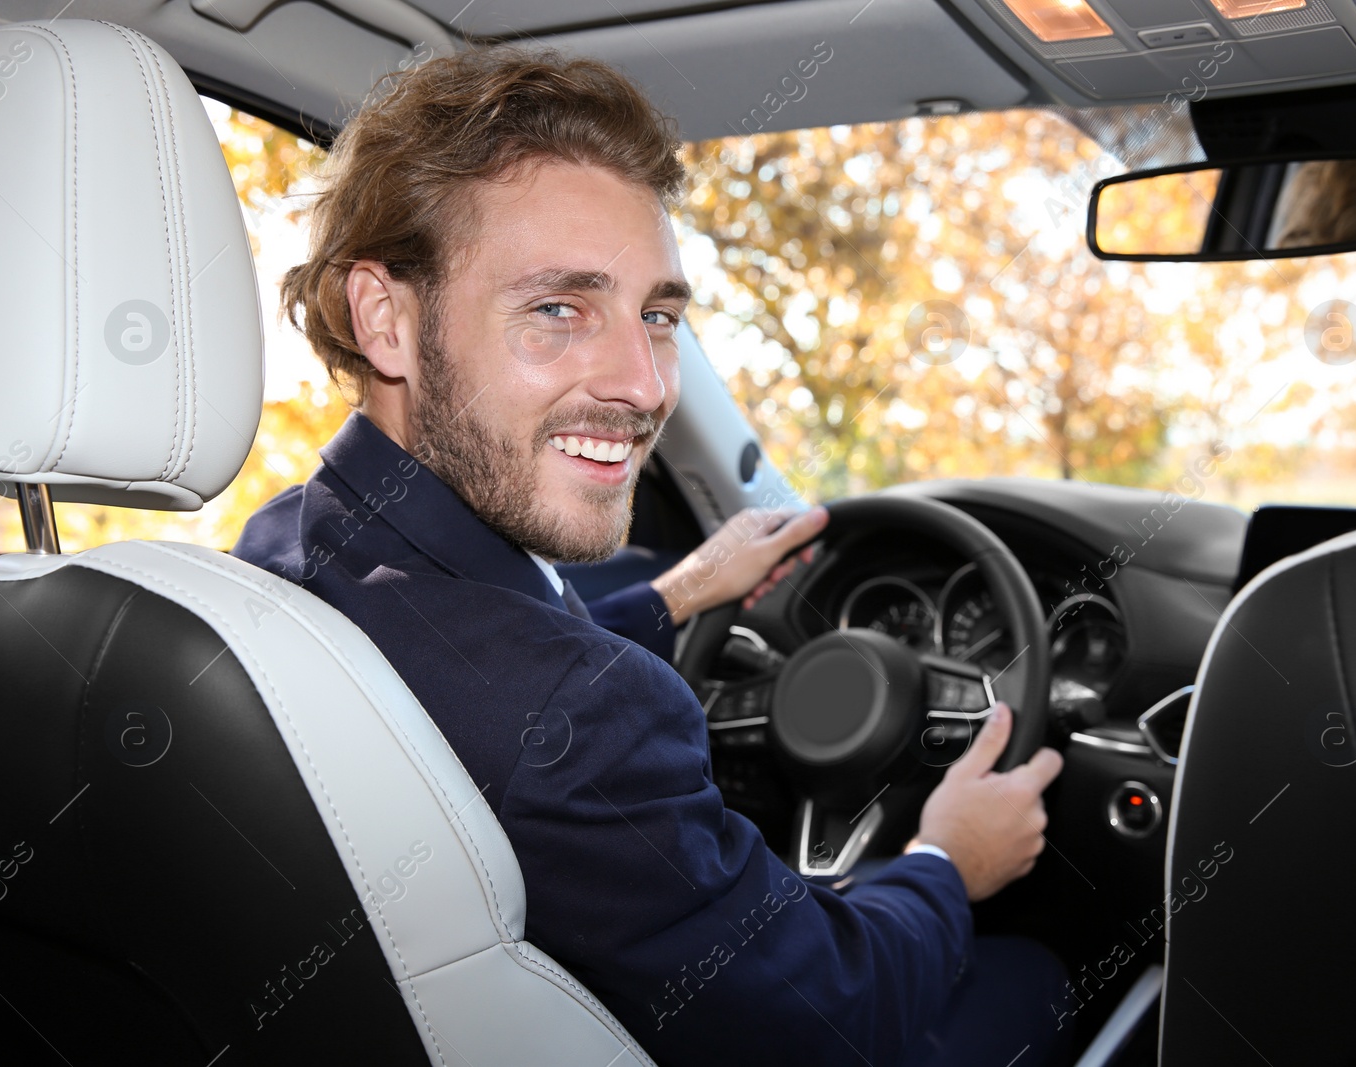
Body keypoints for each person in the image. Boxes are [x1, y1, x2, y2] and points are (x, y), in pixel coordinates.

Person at [232, 46, 1068, 1066]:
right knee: (1040, 972)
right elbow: (831, 1020)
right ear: (387, 317)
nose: (642, 382)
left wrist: (676, 595)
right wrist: (947, 857)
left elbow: (468, 677)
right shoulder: (588, 715)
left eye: (658, 315)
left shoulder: (289, 542)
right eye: (556, 310)